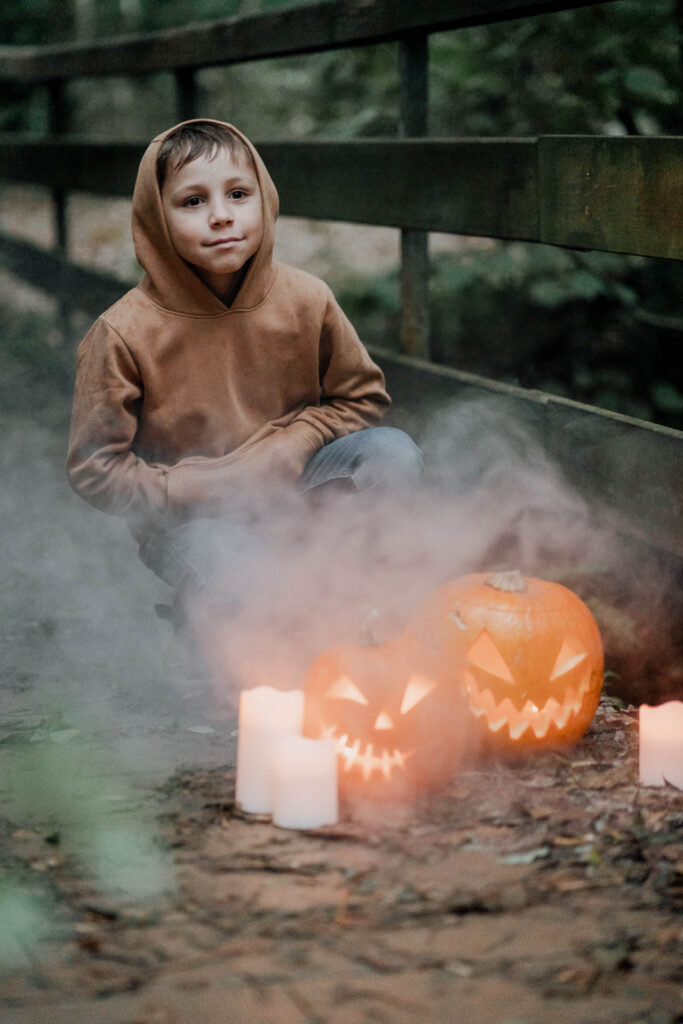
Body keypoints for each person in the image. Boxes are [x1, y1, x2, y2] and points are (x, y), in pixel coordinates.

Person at [67, 118, 422, 645]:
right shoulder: (122, 333)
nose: (220, 216)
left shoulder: (306, 298)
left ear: (265, 199)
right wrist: (199, 486)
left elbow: (363, 396)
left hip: (295, 485)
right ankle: (213, 615)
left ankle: (363, 614)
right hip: (190, 523)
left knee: (391, 453)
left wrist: (291, 445)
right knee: (250, 582)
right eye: (192, 202)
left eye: (238, 193)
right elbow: (95, 470)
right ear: (155, 218)